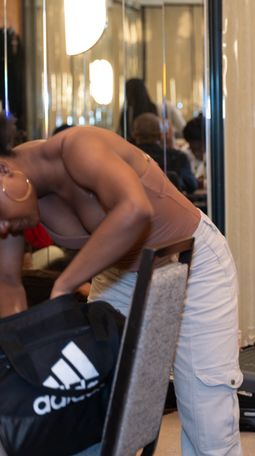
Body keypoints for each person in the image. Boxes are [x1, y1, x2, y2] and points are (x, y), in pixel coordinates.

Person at [0, 116, 242, 456]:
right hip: (118, 276)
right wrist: (18, 366)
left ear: (3, 171)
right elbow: (9, 284)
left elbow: (135, 210)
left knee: (209, 422)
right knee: (100, 410)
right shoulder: (18, 205)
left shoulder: (78, 148)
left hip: (192, 266)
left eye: (1, 216)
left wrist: (64, 285)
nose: (2, 227)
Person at [132, 112, 198, 193]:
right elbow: (191, 186)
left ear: (134, 135)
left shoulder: (128, 158)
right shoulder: (178, 157)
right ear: (161, 136)